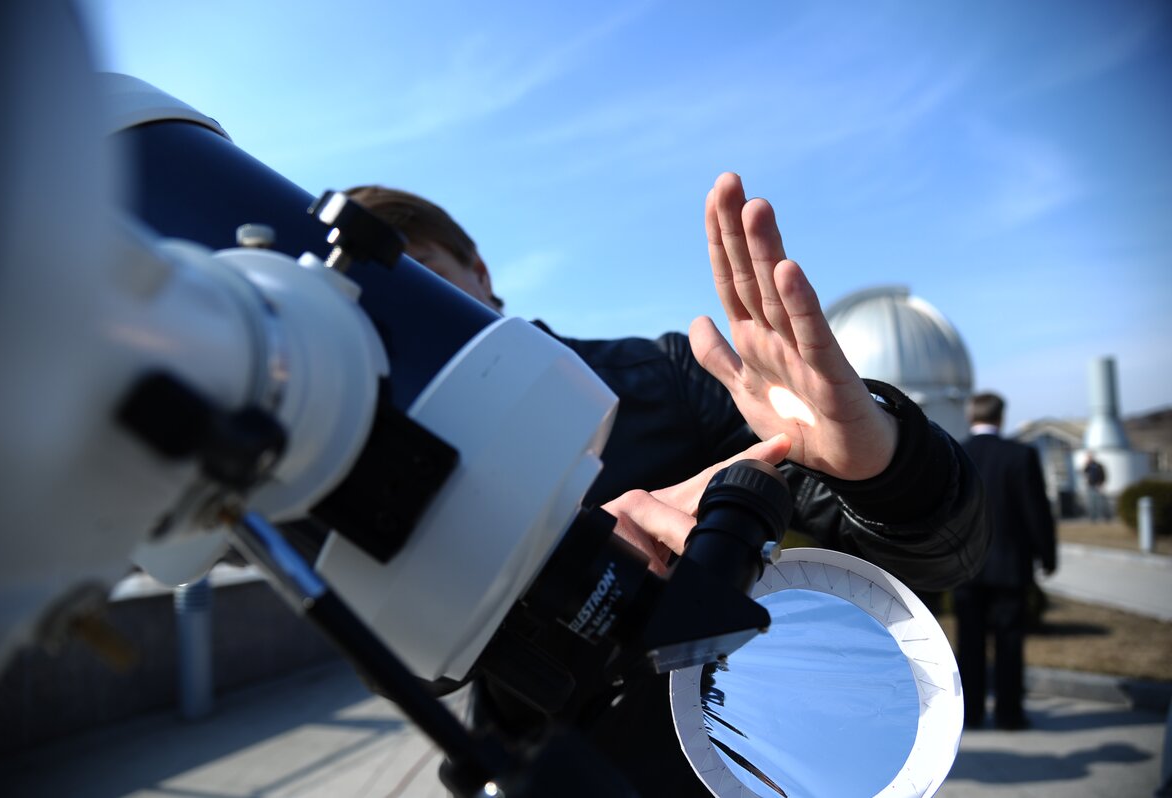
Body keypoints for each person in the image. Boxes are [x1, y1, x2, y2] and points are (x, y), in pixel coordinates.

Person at [345, 173, 989, 796]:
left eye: (417, 269)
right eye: (372, 299)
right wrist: (530, 570)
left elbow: (944, 555)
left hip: (746, 765)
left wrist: (884, 469)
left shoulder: (665, 380)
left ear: (480, 272)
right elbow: (399, 667)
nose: (404, 307)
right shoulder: (376, 468)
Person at [955, 392, 1057, 731]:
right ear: (1001, 417)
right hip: (1010, 565)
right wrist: (1047, 555)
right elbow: (1035, 511)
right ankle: (1009, 713)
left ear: (970, 416)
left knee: (969, 643)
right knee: (1009, 642)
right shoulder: (1020, 455)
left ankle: (970, 713)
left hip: (964, 567)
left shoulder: (954, 453)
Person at [1084, 451, 1111, 521]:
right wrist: (1087, 464)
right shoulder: (1088, 466)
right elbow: (1084, 472)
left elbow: (1103, 475)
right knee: (1092, 503)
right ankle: (1093, 518)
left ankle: (1106, 517)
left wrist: (1101, 483)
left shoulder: (1098, 466)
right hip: (1090, 486)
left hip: (1098, 486)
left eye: (1090, 457)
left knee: (1101, 502)